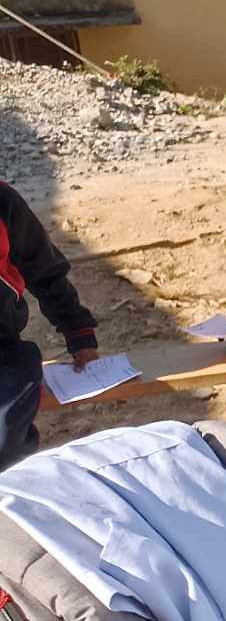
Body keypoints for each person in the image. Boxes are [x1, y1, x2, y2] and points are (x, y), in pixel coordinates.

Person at [0, 183, 100, 468]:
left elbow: (45, 272)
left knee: (4, 437)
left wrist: (78, 331)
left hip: (5, 353)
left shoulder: (3, 203)